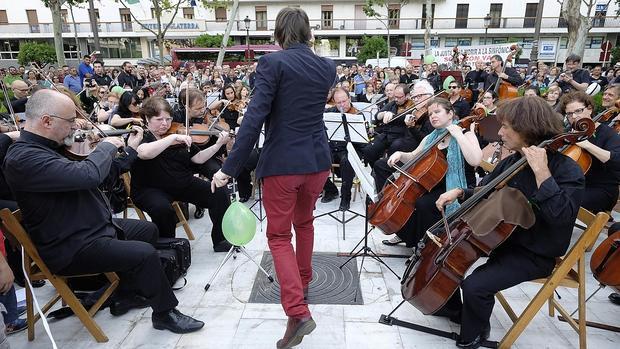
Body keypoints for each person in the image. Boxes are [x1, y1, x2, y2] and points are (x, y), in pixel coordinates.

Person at [2, 89, 204, 333]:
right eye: (69, 121)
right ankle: (165, 313)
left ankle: (128, 292)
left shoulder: (50, 147)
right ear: (47, 121)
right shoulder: (24, 158)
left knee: (147, 230)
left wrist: (124, 151)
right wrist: (106, 146)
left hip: (89, 227)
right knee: (144, 253)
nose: (74, 127)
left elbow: (98, 178)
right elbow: (87, 175)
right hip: (70, 245)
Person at [210, 7, 335, 348]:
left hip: (284, 163)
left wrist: (228, 168)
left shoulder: (271, 64)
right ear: (308, 31)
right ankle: (301, 298)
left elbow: (253, 121)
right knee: (305, 225)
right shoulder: (327, 66)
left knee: (279, 237)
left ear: (279, 33)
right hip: (318, 161)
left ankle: (298, 309)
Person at [434, 96, 584, 349]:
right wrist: (461, 192)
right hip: (504, 240)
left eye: (506, 127)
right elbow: (488, 190)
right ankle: (464, 314)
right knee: (446, 264)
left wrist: (542, 173)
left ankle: (473, 336)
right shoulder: (514, 159)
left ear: (527, 128)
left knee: (474, 286)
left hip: (534, 253)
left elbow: (562, 217)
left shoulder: (566, 169)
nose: (500, 132)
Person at [130, 97, 232, 252]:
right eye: (159, 119)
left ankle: (221, 240)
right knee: (162, 209)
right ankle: (168, 249)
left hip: (180, 183)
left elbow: (198, 159)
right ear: (146, 119)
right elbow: (144, 153)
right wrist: (172, 138)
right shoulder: (140, 136)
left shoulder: (178, 135)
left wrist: (218, 145)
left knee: (219, 192)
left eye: (168, 119)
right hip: (150, 189)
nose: (165, 124)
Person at [381, 98, 481, 248]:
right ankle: (410, 238)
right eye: (430, 114)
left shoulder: (465, 133)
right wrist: (401, 154)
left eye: (437, 111)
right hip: (434, 184)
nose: (433, 116)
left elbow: (475, 161)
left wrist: (458, 135)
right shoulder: (432, 137)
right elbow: (415, 156)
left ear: (450, 114)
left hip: (458, 187)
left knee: (424, 203)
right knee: (412, 198)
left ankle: (427, 247)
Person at [559, 91, 620, 214]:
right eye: (569, 114)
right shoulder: (569, 132)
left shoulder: (607, 133)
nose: (574, 117)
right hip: (573, 185)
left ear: (590, 109)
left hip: (600, 189)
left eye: (578, 111)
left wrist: (587, 145)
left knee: (560, 202)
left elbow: (617, 161)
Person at [321, 88, 362, 210]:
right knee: (315, 156)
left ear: (349, 99)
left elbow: (361, 142)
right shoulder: (330, 113)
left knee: (346, 160)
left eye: (344, 101)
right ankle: (331, 189)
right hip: (333, 148)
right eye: (338, 103)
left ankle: (346, 196)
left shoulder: (357, 114)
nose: (342, 105)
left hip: (349, 149)